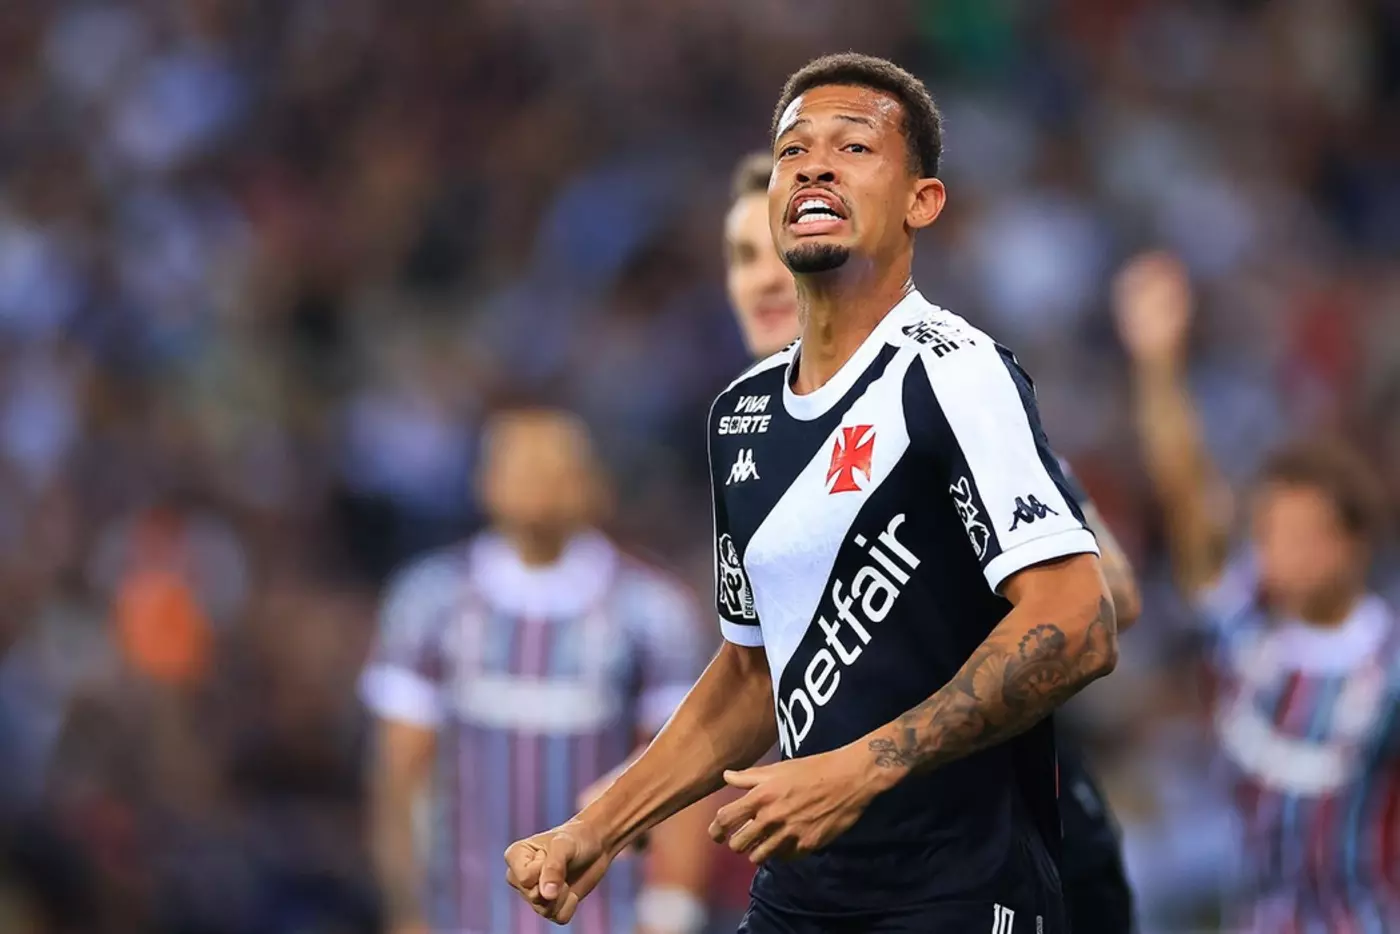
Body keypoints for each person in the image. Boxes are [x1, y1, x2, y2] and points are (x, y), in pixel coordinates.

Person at [506, 53, 1120, 933]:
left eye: (854, 147)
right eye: (793, 152)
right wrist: (595, 829)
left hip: (956, 892)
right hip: (801, 896)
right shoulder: (740, 414)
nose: (814, 167)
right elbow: (753, 672)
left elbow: (1079, 619)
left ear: (922, 202)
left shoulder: (951, 371)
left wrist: (862, 768)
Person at [723, 150, 1140, 933]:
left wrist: (928, 609)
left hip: (1011, 838)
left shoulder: (945, 391)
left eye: (778, 253)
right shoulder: (749, 435)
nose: (765, 280)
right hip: (852, 866)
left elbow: (1105, 592)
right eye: (746, 258)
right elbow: (757, 674)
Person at [1115, 252, 1400, 931]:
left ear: (1351, 545)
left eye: (1300, 535)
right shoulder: (1247, 625)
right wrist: (1158, 364)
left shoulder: (1389, 665)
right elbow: (1185, 491)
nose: (1276, 553)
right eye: (1268, 533)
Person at [361, 406, 712, 934]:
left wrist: (672, 908)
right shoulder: (429, 602)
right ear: (485, 484)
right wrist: (406, 911)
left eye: (554, 472)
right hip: (465, 915)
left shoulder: (651, 611)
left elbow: (685, 763)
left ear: (593, 487)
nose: (538, 487)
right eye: (521, 470)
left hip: (607, 917)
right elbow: (400, 773)